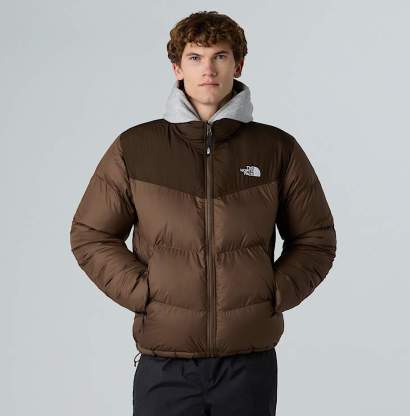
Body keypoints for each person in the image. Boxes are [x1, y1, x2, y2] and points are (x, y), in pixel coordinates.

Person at [69, 10, 337, 416]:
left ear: (238, 65)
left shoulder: (276, 149)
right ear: (177, 68)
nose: (208, 69)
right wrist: (146, 292)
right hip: (165, 362)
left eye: (220, 56)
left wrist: (272, 292)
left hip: (248, 363)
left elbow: (316, 239)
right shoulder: (136, 148)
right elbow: (90, 234)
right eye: (195, 57)